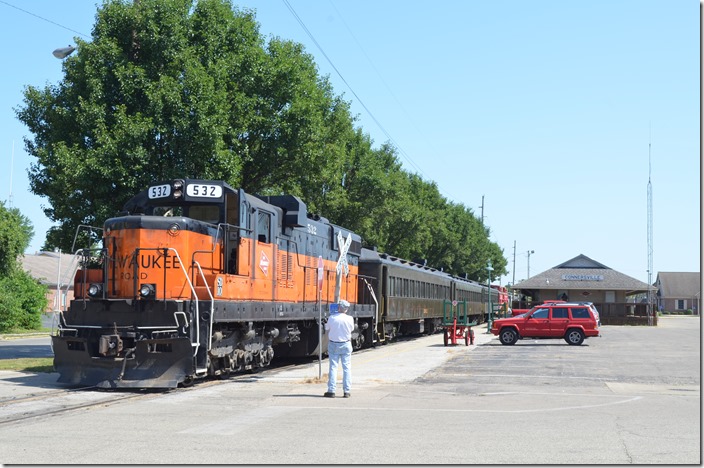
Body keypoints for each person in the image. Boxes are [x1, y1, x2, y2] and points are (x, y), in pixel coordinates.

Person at [324, 299, 355, 398]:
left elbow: (326, 328)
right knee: (347, 368)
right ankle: (347, 391)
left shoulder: (332, 318)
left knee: (333, 367)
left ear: (338, 307)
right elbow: (352, 329)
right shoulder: (350, 319)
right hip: (346, 344)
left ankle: (331, 391)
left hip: (334, 344)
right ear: (346, 309)